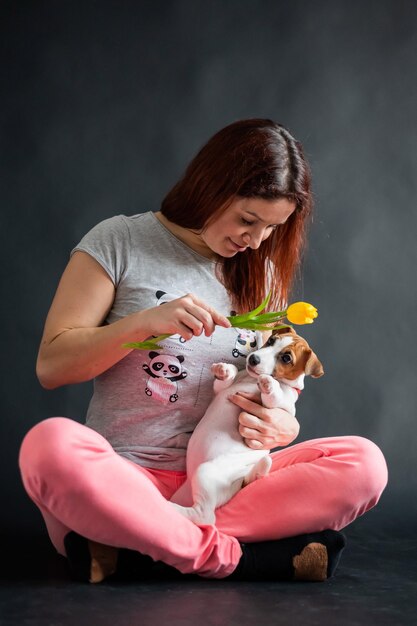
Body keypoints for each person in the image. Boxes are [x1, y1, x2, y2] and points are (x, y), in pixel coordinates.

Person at [19, 119, 388, 583]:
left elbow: (279, 387)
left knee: (364, 462)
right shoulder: (119, 241)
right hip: (125, 479)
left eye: (272, 228)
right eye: (248, 220)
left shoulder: (262, 277)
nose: (255, 241)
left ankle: (134, 547)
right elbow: (52, 366)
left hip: (227, 485)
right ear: (210, 188)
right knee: (47, 447)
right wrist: (142, 325)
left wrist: (283, 424)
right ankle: (239, 558)